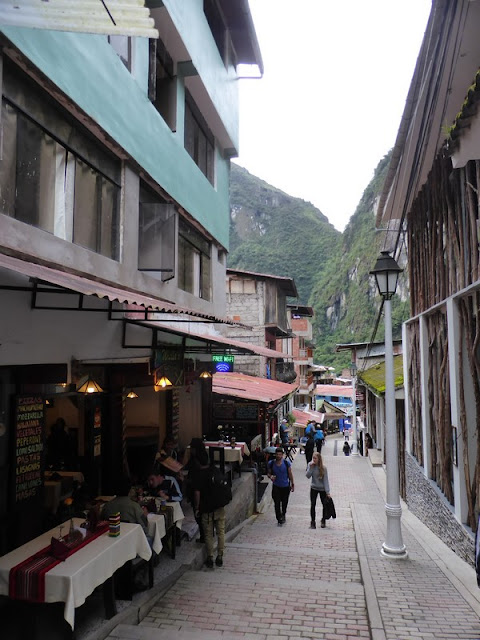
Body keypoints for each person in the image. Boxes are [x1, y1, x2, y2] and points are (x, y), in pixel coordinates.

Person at [184, 438, 209, 543]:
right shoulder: (204, 456)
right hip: (205, 488)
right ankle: (206, 535)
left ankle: (204, 536)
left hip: (197, 488)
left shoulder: (195, 460)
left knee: (198, 512)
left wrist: (184, 479)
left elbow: (191, 474)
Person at [267, 447, 294, 526]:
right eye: (277, 454)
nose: (278, 456)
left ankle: (283, 514)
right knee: (277, 503)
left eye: (280, 454)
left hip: (285, 486)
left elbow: (290, 473)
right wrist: (270, 476)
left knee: (284, 503)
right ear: (275, 455)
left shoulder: (286, 463)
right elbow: (268, 473)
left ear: (282, 455)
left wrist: (292, 483)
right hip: (276, 486)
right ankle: (279, 518)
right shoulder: (271, 463)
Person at [306, 451, 331, 529]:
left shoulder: (323, 468)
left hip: (322, 489)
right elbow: (307, 476)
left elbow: (326, 480)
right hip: (314, 488)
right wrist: (311, 468)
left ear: (319, 459)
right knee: (313, 504)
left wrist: (327, 492)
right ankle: (312, 522)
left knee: (324, 505)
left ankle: (323, 520)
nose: (314, 460)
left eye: (315, 458)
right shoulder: (310, 465)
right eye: (313, 458)